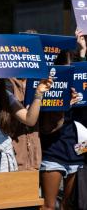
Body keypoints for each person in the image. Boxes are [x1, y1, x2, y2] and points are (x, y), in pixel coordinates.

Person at [39, 44, 85, 209]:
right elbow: (46, 127)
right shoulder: (51, 89)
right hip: (53, 153)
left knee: (68, 205)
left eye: (74, 69)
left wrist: (84, 49)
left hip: (77, 153)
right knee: (49, 206)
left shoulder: (83, 90)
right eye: (66, 68)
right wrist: (65, 106)